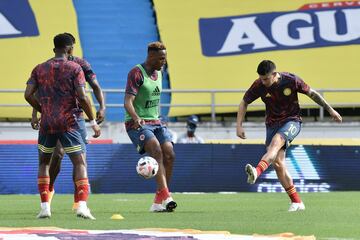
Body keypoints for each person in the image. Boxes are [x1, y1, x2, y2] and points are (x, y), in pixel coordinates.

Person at [237, 60, 342, 212]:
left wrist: (330, 110)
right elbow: (244, 102)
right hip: (272, 124)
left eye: (266, 79)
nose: (263, 81)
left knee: (276, 142)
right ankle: (297, 202)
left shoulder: (291, 80)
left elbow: (312, 94)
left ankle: (257, 171)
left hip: (292, 121)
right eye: (261, 78)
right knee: (278, 165)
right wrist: (239, 125)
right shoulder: (258, 85)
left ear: (274, 74)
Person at [24, 33, 101, 219]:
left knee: (44, 162)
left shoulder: (39, 68)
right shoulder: (75, 68)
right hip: (69, 122)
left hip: (48, 122)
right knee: (79, 161)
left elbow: (27, 95)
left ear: (54, 48)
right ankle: (81, 205)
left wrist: (42, 109)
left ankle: (44, 207)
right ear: (70, 48)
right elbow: (82, 97)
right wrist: (92, 122)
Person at [124, 41, 177, 212]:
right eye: (161, 58)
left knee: (169, 154)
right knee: (156, 149)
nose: (164, 61)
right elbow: (127, 102)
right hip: (136, 123)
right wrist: (136, 117)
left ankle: (157, 201)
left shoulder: (159, 73)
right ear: (151, 56)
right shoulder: (136, 73)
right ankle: (167, 196)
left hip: (156, 122)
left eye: (165, 57)